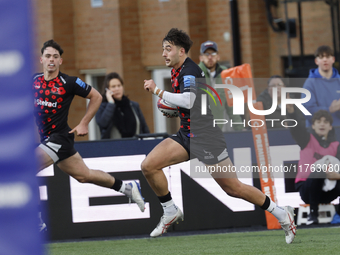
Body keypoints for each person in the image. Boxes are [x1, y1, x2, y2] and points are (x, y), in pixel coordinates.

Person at [142, 28, 296, 243]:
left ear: (181, 51)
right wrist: (171, 104)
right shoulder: (177, 70)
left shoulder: (189, 71)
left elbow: (189, 101)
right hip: (187, 134)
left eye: (168, 49)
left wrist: (159, 92)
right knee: (149, 165)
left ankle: (281, 213)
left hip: (206, 138)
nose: (163, 54)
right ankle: (170, 210)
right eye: (163, 49)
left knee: (234, 188)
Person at [33, 40, 145, 230]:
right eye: (48, 56)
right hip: (51, 141)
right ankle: (128, 188)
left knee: (27, 168)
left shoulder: (69, 82)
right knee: (85, 176)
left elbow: (97, 96)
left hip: (59, 138)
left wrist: (84, 122)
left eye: (55, 57)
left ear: (60, 61)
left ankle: (34, 220)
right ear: (41, 59)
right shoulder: (34, 80)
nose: (51, 60)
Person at [287, 104, 340, 225]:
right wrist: (292, 112)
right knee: (319, 171)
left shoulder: (336, 146)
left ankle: (338, 216)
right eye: (318, 121)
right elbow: (296, 129)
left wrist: (337, 176)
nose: (322, 124)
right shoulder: (306, 140)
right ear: (313, 125)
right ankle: (313, 215)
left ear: (330, 126)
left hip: (328, 191)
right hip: (306, 189)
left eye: (326, 122)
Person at [198, 41, 243, 131]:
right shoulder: (195, 73)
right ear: (201, 58)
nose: (210, 57)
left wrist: (240, 130)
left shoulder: (225, 74)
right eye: (206, 54)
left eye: (213, 53)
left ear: (218, 56)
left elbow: (231, 106)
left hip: (218, 131)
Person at [96, 72, 150, 139]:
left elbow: (144, 128)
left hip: (136, 145)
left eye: (119, 85)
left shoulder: (133, 105)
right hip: (113, 147)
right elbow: (103, 124)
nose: (117, 89)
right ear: (107, 90)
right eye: (113, 86)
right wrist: (111, 103)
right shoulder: (103, 107)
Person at [302, 45, 340, 127]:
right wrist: (330, 109)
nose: (325, 60)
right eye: (321, 57)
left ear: (333, 59)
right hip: (317, 134)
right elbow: (307, 111)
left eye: (328, 56)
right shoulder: (310, 83)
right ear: (316, 61)